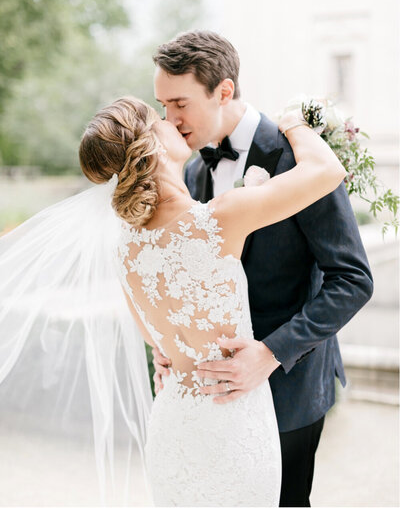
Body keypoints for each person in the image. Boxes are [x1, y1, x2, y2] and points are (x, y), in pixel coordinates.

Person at [77, 95, 345, 507]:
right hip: (234, 422)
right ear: (153, 143)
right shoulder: (217, 219)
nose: (172, 120)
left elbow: (158, 346)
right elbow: (326, 170)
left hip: (173, 426)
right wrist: (294, 123)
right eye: (161, 117)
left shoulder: (124, 249)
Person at [151, 30, 374, 507]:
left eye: (179, 103)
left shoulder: (300, 157)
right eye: (161, 105)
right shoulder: (191, 172)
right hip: (218, 399)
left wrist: (269, 353)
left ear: (224, 90)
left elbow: (353, 278)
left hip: (290, 388)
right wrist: (171, 344)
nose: (168, 120)